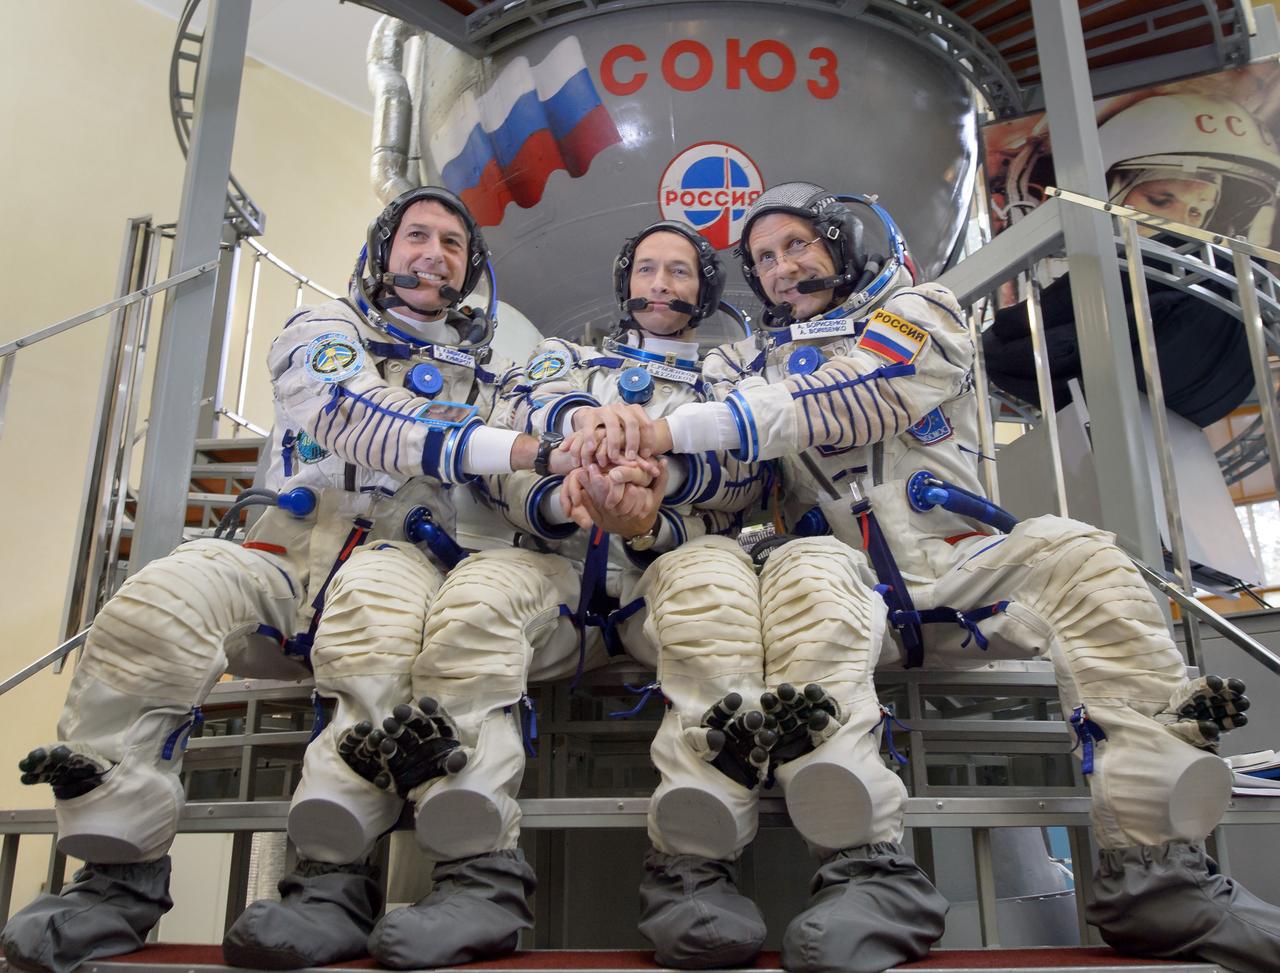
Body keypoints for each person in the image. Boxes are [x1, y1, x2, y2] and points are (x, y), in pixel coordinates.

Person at [565, 182, 1269, 973]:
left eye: (797, 244)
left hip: (955, 568)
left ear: (850, 240)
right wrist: (651, 493)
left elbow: (863, 391)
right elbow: (728, 473)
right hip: (834, 579)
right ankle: (865, 872)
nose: (781, 268)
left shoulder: (919, 310)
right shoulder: (739, 363)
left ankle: (1158, 873)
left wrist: (665, 427)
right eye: (762, 258)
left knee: (1082, 556)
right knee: (809, 570)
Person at [1, 186, 573, 973]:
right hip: (287, 560)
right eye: (417, 236)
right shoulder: (323, 330)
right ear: (382, 249)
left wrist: (560, 492)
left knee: (375, 630)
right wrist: (511, 448)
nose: (433, 253)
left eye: (451, 244)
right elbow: (353, 413)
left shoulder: (494, 376)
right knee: (157, 604)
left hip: (398, 567)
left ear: (469, 270)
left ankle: (332, 880)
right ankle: (114, 875)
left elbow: (517, 485)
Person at [341, 220, 767, 971]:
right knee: (473, 602)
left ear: (705, 289)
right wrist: (563, 494)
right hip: (556, 563)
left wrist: (654, 501)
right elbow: (503, 442)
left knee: (716, 613)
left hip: (667, 559)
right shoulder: (557, 362)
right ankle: (474, 874)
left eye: (679, 271)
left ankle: (696, 869)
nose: (660, 284)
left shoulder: (729, 375)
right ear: (623, 281)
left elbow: (753, 477)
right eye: (646, 269)